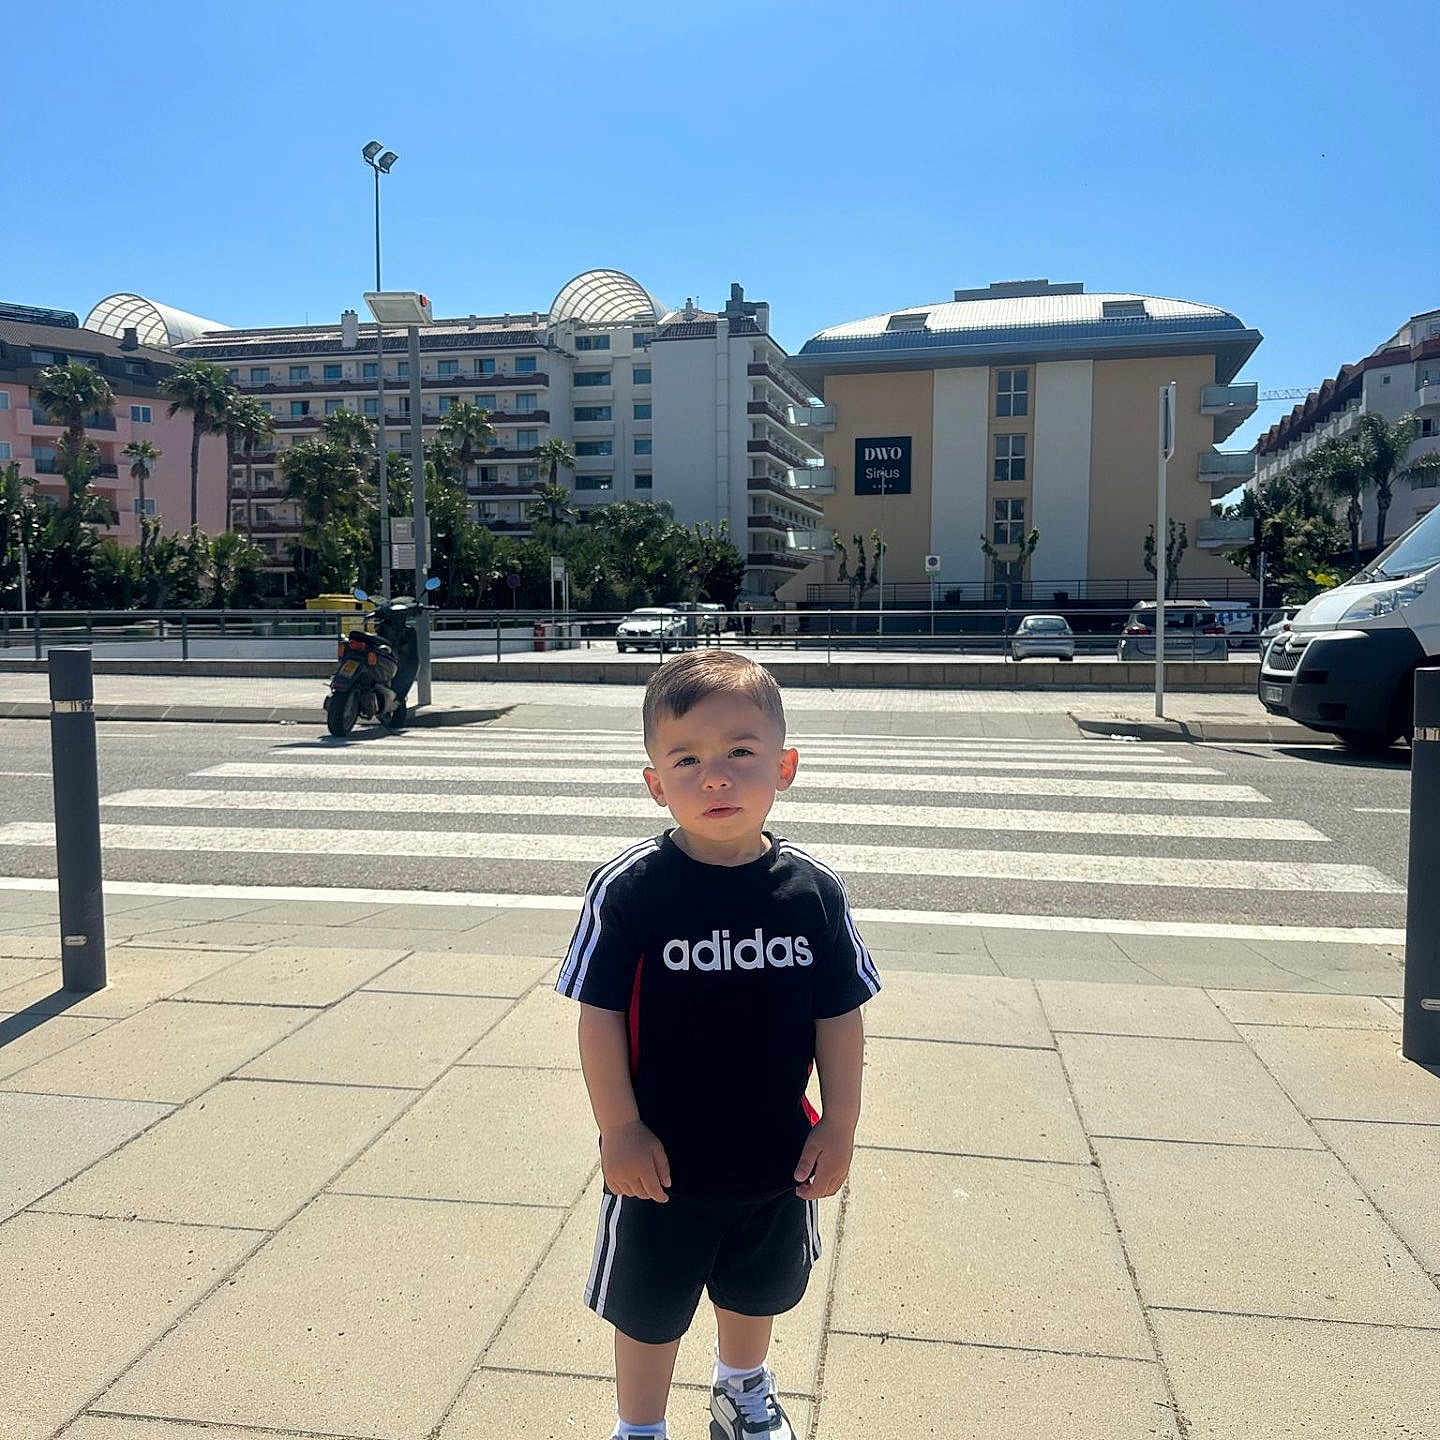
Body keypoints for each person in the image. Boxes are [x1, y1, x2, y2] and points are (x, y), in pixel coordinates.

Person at [556, 650, 879, 1440]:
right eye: (687, 759)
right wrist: (619, 1129)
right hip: (658, 1161)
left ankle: (742, 1391)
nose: (716, 778)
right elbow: (595, 1012)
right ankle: (640, 1426)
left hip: (778, 1152)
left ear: (786, 765)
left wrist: (839, 1126)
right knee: (649, 1305)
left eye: (741, 753)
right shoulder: (632, 887)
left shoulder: (812, 891)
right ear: (654, 782)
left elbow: (840, 1015)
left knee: (757, 1290)